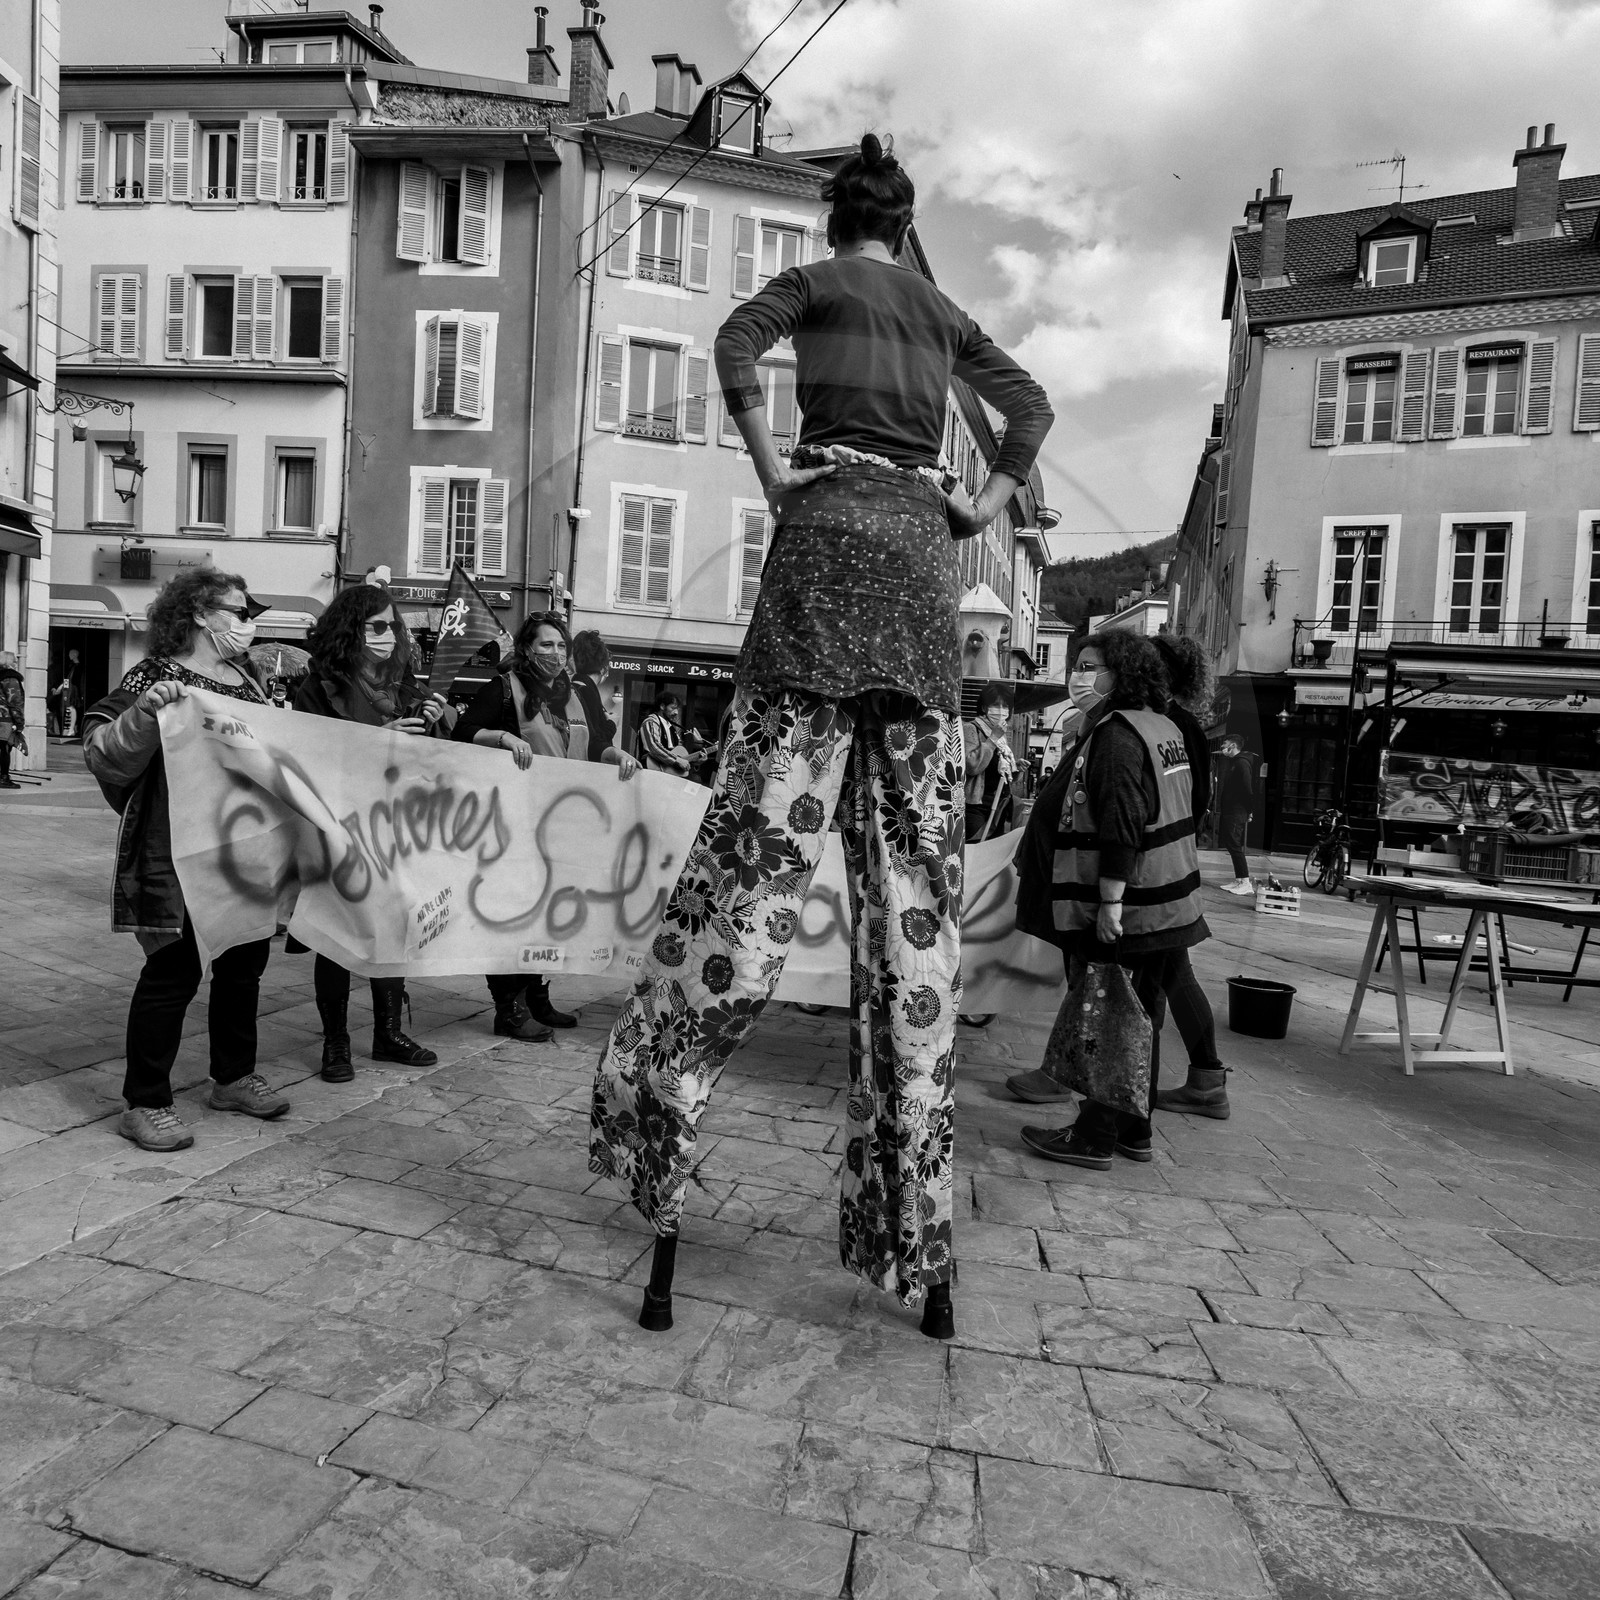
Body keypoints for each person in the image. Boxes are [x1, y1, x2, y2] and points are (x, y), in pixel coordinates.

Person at [589, 131, 1053, 1341]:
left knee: (741, 891)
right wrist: (979, 504)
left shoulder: (810, 287)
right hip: (912, 586)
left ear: (833, 222)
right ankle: (915, 1241)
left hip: (814, 570)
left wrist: (769, 470)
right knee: (913, 923)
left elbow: (733, 342)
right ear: (899, 228)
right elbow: (1030, 410)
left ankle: (657, 1153)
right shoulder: (938, 310)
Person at [81, 568, 289, 1152]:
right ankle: (145, 1101)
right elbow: (103, 751)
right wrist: (145, 712)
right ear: (199, 614)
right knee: (172, 974)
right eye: (237, 610)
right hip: (176, 850)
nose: (247, 621)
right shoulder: (154, 676)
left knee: (244, 966)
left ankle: (233, 1077)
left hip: (244, 851)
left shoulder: (246, 681)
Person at [1012, 629, 1208, 1170]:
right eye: (1077, 663)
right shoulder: (1160, 726)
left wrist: (1111, 905)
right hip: (1166, 902)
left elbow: (1122, 821)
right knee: (1140, 1014)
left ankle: (1094, 1135)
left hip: (1132, 908)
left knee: (1108, 1017)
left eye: (1090, 665)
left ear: (1120, 674)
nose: (1079, 674)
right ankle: (1134, 1129)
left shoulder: (1119, 736)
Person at [294, 586, 452, 1081]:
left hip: (397, 829)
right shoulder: (319, 688)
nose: (389, 637)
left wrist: (436, 722)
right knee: (335, 932)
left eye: (394, 627)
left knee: (394, 930)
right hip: (340, 827)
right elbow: (308, 757)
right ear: (350, 630)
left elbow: (434, 762)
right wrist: (382, 742)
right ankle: (336, 1042)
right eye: (377, 627)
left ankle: (388, 1034)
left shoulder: (405, 687)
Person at [455, 612, 639, 1037]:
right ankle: (509, 1009)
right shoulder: (505, 688)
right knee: (512, 915)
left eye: (561, 647)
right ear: (526, 649)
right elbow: (464, 729)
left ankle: (536, 998)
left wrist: (616, 757)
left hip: (563, 828)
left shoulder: (575, 695)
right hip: (513, 826)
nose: (555, 654)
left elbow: (595, 744)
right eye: (545, 645)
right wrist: (504, 738)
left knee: (545, 917)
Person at [963, 684, 1016, 842]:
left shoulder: (1000, 735)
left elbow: (998, 769)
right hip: (977, 807)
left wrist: (1016, 766)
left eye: (1005, 706)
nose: (1001, 710)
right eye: (995, 705)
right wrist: (992, 739)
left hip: (998, 805)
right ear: (985, 707)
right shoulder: (972, 729)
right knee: (977, 848)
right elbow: (972, 765)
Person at [1217, 736, 1256, 895]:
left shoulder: (1241, 763)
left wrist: (1249, 810)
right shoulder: (1235, 763)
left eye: (1225, 744)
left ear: (1233, 745)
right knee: (1231, 844)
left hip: (1237, 810)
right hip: (1231, 810)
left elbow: (1247, 788)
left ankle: (1245, 882)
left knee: (1234, 845)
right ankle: (1239, 879)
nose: (1222, 746)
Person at [571, 629, 617, 757]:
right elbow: (595, 740)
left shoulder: (576, 686)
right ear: (603, 668)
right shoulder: (587, 691)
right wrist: (612, 723)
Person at [637, 692, 692, 776]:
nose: (676, 712)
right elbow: (653, 747)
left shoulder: (671, 728)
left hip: (669, 775)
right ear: (662, 706)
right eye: (673, 708)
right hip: (649, 774)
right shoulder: (650, 722)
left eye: (677, 709)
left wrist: (697, 759)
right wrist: (676, 760)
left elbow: (680, 755)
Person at [0, 650, 25, 788]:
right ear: (9, 662)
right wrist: (19, 722)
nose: (16, 663)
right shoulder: (10, 679)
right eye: (14, 661)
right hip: (5, 719)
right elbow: (15, 702)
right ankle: (4, 777)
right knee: (4, 748)